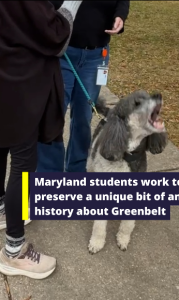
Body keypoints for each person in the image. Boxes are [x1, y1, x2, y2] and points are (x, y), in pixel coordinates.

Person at [0, 0, 83, 279]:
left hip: (7, 78)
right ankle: (14, 252)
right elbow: (56, 37)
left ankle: (2, 207)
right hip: (19, 86)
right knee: (23, 164)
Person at [37, 0, 130, 173]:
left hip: (96, 56)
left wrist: (120, 15)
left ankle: (77, 173)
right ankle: (49, 178)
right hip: (62, 53)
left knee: (83, 118)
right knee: (51, 117)